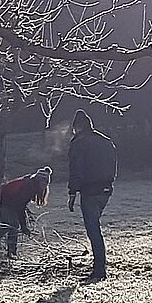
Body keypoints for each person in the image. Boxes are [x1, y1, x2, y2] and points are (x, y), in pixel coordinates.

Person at [65, 110, 118, 281]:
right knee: (95, 227)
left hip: (89, 191)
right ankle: (99, 266)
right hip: (106, 189)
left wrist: (73, 192)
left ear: (77, 128)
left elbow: (76, 170)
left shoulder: (79, 143)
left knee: (93, 230)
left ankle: (99, 270)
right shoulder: (106, 141)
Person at [0, 166, 51, 260]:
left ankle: (11, 252)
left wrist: (23, 225)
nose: (45, 186)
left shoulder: (30, 182)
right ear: (39, 181)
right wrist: (24, 227)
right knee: (12, 226)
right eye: (44, 184)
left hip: (9, 203)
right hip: (1, 203)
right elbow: (19, 207)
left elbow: (19, 204)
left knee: (12, 226)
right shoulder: (28, 187)